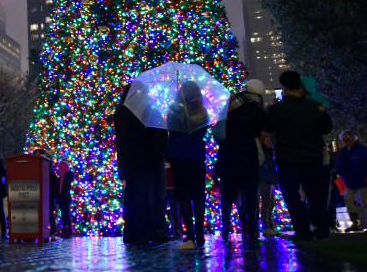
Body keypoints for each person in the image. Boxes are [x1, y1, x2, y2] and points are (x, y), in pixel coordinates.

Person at [265, 70, 333, 240]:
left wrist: (272, 108)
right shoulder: (313, 107)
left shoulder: (277, 109)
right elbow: (326, 128)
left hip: (287, 158)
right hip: (311, 156)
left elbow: (269, 127)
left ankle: (302, 229)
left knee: (291, 195)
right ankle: (321, 226)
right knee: (315, 193)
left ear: (284, 87)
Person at [212, 79, 269, 240]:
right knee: (250, 194)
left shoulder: (230, 105)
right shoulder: (257, 110)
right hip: (248, 154)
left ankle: (226, 227)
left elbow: (219, 132)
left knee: (228, 194)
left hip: (228, 153)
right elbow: (262, 129)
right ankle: (252, 228)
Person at [113, 85, 169, 244]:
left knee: (133, 197)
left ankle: (132, 233)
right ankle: (145, 233)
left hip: (130, 162)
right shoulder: (135, 113)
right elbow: (144, 134)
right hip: (142, 161)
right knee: (144, 198)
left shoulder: (121, 112)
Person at [167, 81, 213, 246]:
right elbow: (202, 132)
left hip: (178, 154)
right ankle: (200, 234)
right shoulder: (203, 112)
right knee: (198, 194)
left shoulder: (174, 110)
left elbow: (170, 130)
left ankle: (190, 235)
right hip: (196, 154)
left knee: (183, 194)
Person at [335, 131, 367, 233]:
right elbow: (341, 166)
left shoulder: (361, 151)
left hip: (361, 179)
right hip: (351, 180)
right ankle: (355, 223)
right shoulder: (344, 152)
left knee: (365, 201)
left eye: (347, 140)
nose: (345, 143)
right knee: (349, 200)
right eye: (343, 141)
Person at [257, 135, 279, 236]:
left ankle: (270, 226)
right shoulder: (263, 153)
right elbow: (267, 165)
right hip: (264, 180)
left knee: (271, 204)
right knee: (266, 203)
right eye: (267, 141)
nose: (269, 143)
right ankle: (266, 227)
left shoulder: (270, 152)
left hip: (270, 180)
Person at [54, 160, 75, 237]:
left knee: (66, 214)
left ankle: (68, 231)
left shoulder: (68, 176)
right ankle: (65, 230)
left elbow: (66, 187)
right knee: (64, 214)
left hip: (65, 198)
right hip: (61, 199)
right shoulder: (61, 177)